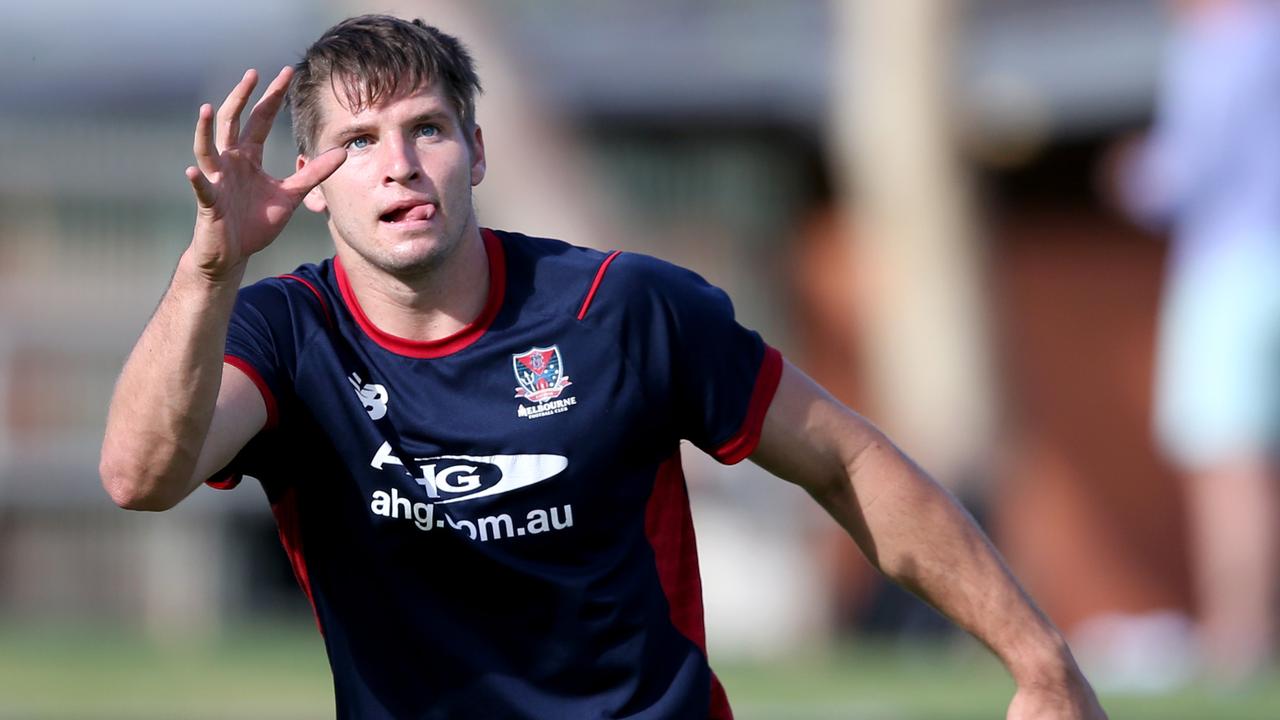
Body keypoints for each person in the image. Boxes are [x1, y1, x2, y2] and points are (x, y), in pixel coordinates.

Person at [99, 14, 1106, 719]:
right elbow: (141, 477)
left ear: (477, 152)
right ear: (311, 183)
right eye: (357, 142)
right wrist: (211, 267)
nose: (399, 162)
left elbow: (844, 463)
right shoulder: (287, 331)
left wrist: (1039, 662)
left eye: (426, 129)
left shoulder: (620, 307)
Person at [1111, 0, 1280, 683]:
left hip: (1232, 268)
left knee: (1227, 464)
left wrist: (1131, 174)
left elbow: (1183, 170)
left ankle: (1237, 637)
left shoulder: (1219, 42)